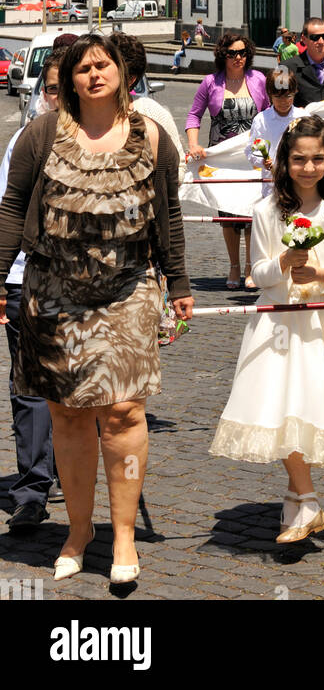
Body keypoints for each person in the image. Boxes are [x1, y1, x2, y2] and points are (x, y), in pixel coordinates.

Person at [0, 34, 192, 583]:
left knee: (125, 412)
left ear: (122, 72)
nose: (92, 75)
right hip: (53, 290)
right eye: (81, 68)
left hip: (128, 288)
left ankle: (124, 535)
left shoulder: (152, 137)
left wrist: (178, 281)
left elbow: (170, 216)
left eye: (102, 64)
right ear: (68, 79)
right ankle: (79, 530)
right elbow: (13, 208)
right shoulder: (39, 134)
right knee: (67, 413)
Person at [210, 115, 324, 542]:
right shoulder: (266, 211)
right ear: (285, 160)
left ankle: (298, 499)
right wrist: (283, 263)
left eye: (318, 159)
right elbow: (259, 274)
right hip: (279, 320)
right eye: (299, 159)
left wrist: (322, 277)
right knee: (280, 408)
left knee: (305, 408)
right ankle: (305, 498)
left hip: (323, 321)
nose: (308, 168)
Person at [0, 53, 62, 533]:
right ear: (44, 94)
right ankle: (33, 489)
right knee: (29, 389)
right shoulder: (25, 140)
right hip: (27, 278)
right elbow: (8, 211)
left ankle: (69, 467)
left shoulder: (109, 142)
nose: (63, 99)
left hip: (90, 285)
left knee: (79, 387)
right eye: (56, 88)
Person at [185, 31, 269, 289]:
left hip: (252, 157)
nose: (238, 58)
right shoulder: (210, 82)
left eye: (242, 53)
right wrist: (193, 145)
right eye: (232, 53)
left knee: (253, 213)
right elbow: (194, 117)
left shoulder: (259, 79)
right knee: (229, 214)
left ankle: (250, 266)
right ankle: (233, 265)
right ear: (223, 55)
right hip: (222, 159)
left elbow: (269, 115)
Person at [108, 32, 184, 162]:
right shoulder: (78, 114)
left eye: (104, 66)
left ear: (130, 79)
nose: (95, 74)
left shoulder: (152, 113)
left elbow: (178, 165)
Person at [246, 68, 301, 195]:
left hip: (299, 184)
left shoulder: (303, 117)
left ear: (295, 92)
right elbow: (250, 151)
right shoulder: (261, 120)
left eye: (288, 96)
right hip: (272, 186)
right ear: (269, 94)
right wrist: (262, 161)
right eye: (278, 97)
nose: (283, 101)